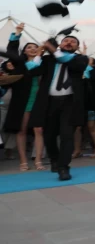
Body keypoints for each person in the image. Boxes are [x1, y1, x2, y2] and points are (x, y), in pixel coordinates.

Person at [30, 35, 89, 181]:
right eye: (66, 41)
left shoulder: (80, 59)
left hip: (70, 102)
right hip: (49, 102)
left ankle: (64, 167)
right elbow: (31, 71)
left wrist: (53, 50)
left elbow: (70, 62)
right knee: (49, 135)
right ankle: (54, 159)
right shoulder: (48, 60)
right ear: (60, 44)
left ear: (77, 47)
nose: (69, 43)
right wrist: (39, 53)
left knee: (66, 135)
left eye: (73, 42)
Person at [3, 23, 44, 171]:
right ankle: (23, 161)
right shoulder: (19, 63)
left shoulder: (42, 63)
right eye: (29, 47)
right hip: (23, 100)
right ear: (24, 51)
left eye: (35, 47)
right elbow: (11, 50)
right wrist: (17, 33)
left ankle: (38, 160)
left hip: (39, 100)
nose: (32, 49)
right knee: (22, 130)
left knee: (39, 130)